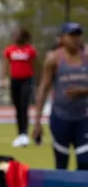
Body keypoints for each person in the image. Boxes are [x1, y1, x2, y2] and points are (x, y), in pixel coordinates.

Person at [35, 20, 88, 170]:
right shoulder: (54, 59)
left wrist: (83, 91)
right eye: (71, 35)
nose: (75, 39)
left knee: (85, 162)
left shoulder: (86, 57)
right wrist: (37, 121)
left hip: (83, 118)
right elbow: (44, 88)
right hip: (60, 117)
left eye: (78, 35)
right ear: (62, 38)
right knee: (61, 163)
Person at [4, 27, 37, 148]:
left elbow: (34, 65)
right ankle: (20, 134)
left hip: (27, 80)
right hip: (14, 80)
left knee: (24, 105)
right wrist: (3, 79)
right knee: (17, 107)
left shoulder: (30, 50)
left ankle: (24, 134)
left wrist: (35, 81)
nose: (15, 36)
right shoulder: (10, 50)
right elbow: (6, 64)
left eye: (17, 34)